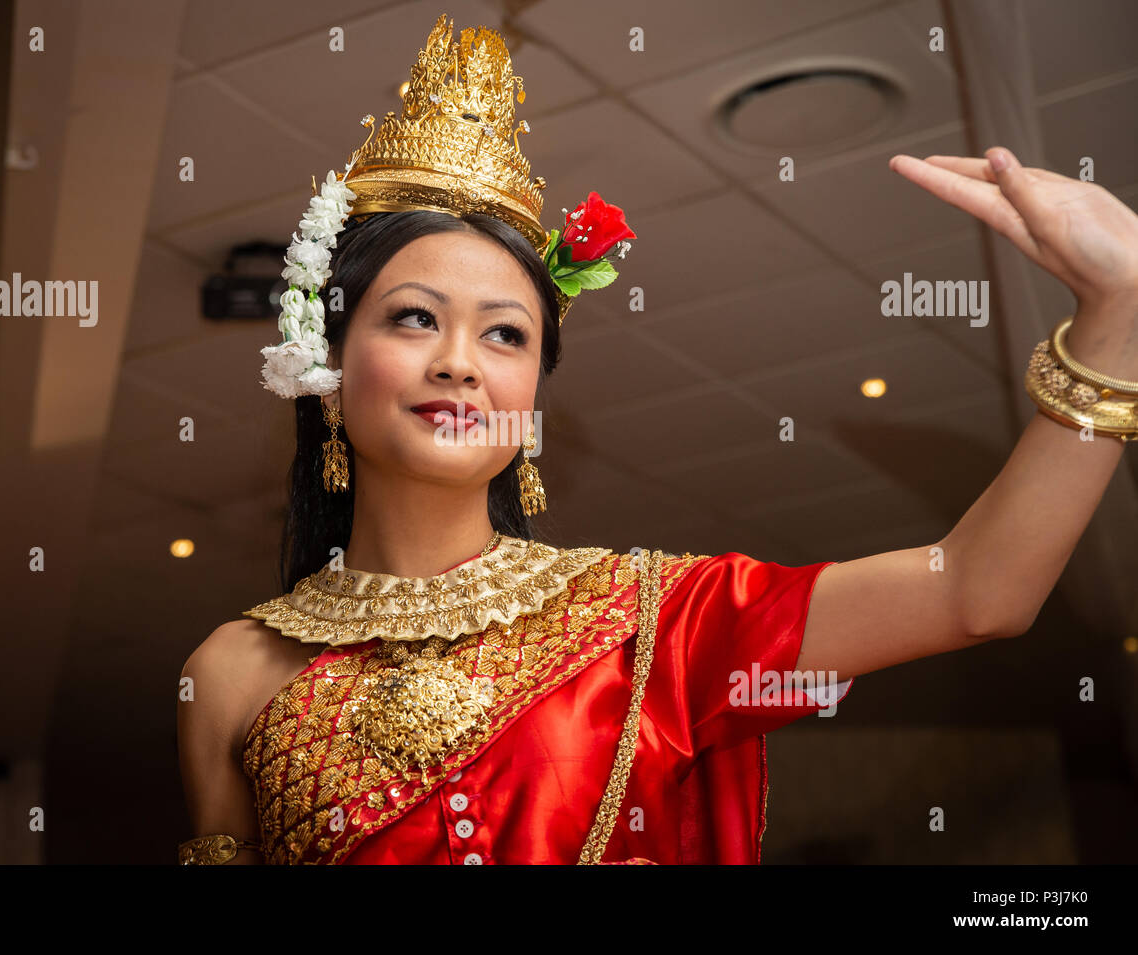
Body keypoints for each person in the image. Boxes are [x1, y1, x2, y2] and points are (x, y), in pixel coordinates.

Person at [175, 15, 1138, 865]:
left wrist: (1118, 318)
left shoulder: (657, 625)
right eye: (415, 318)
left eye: (506, 332)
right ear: (328, 365)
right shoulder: (230, 672)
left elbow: (976, 591)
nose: (461, 362)